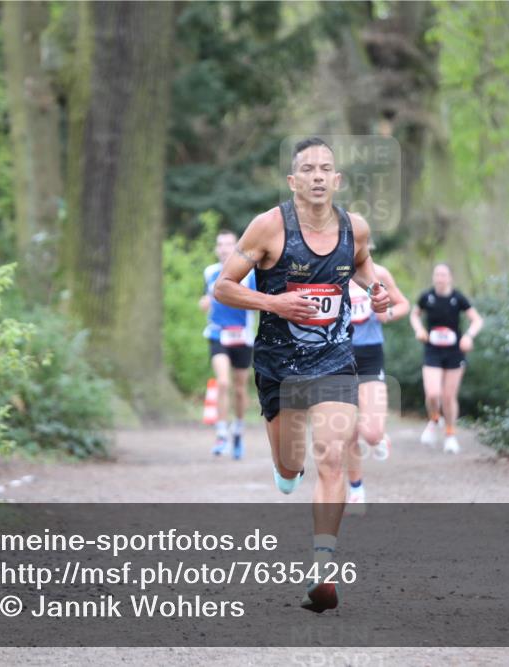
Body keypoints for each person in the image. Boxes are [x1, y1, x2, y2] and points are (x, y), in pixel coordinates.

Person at [213, 137, 389, 613]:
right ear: (293, 181)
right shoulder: (269, 228)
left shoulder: (356, 228)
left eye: (325, 168)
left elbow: (363, 266)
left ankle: (323, 570)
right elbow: (223, 287)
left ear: (337, 180)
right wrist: (273, 302)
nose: (316, 175)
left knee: (332, 457)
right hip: (279, 366)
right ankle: (282, 467)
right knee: (292, 467)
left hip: (334, 359)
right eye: (307, 168)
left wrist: (376, 290)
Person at [345, 260, 409, 510]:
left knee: (371, 433)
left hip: (370, 354)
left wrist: (388, 313)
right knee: (346, 427)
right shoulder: (330, 269)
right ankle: (356, 487)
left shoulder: (378, 273)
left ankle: (379, 437)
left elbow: (403, 303)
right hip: (339, 354)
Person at [410, 263, 483, 454]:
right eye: (437, 274)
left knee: (449, 397)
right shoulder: (427, 297)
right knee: (433, 394)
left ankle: (450, 435)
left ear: (450, 278)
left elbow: (477, 320)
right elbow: (414, 315)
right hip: (432, 350)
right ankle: (435, 419)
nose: (440, 278)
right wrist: (419, 329)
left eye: (443, 275)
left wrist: (468, 336)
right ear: (433, 277)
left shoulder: (457, 298)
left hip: (454, 352)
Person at [200, 230, 256, 460]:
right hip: (217, 334)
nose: (224, 248)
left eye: (228, 244)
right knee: (223, 382)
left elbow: (256, 302)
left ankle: (238, 430)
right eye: (220, 244)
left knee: (240, 389)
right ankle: (222, 433)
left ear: (237, 248)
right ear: (216, 249)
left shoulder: (250, 274)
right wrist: (205, 301)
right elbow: (206, 299)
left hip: (242, 337)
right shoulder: (210, 272)